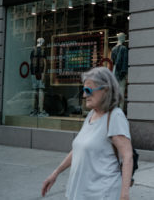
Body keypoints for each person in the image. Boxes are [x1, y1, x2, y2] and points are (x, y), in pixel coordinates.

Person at [41, 67, 133, 200]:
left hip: (101, 194)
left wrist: (124, 195)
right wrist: (56, 173)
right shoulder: (91, 114)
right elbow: (78, 150)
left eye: (88, 90)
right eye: (84, 90)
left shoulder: (115, 116)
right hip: (79, 192)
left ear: (105, 90)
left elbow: (127, 156)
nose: (84, 95)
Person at [30, 37, 48, 117]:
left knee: (34, 91)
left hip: (33, 73)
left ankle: (33, 110)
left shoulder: (32, 51)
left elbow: (31, 62)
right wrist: (44, 74)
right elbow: (45, 63)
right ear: (43, 43)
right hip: (40, 73)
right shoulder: (43, 51)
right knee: (41, 91)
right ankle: (41, 111)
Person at [111, 32, 128, 110]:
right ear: (122, 38)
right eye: (124, 37)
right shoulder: (124, 49)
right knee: (121, 91)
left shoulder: (113, 49)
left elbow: (113, 61)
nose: (125, 38)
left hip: (114, 71)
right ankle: (120, 110)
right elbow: (125, 62)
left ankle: (114, 109)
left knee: (115, 92)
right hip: (121, 71)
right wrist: (124, 73)